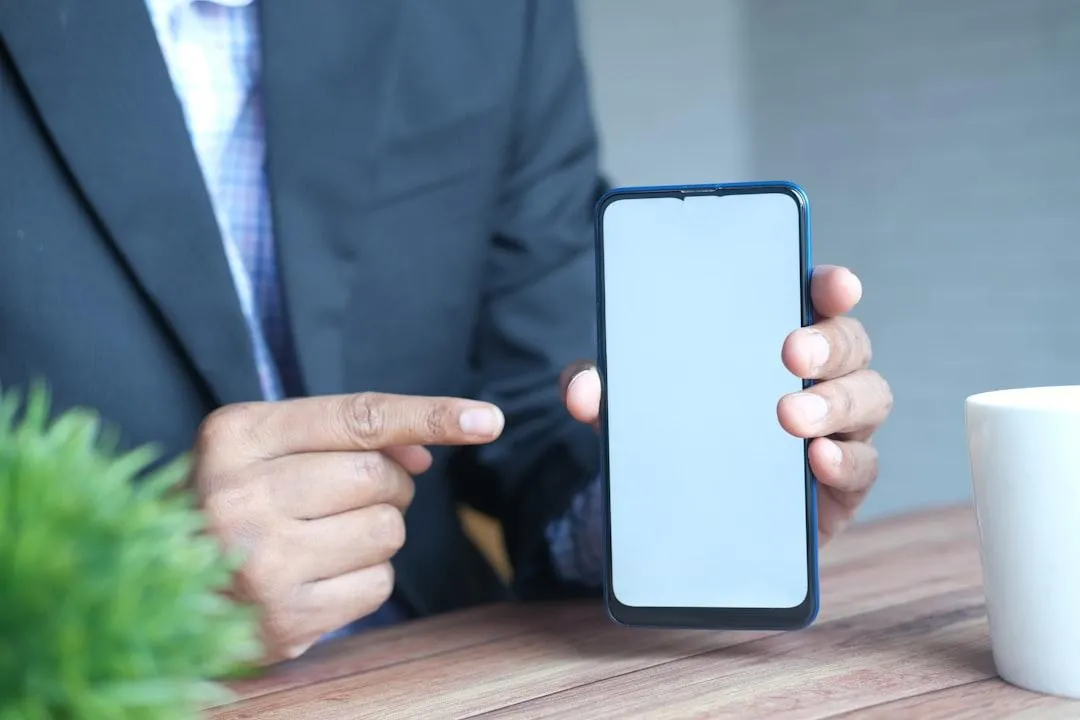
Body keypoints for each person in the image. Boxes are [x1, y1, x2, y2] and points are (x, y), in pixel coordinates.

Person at [0, 0, 893, 662]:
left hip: (450, 664)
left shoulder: (495, 17)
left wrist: (668, 506)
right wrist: (128, 574)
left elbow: (541, 414)